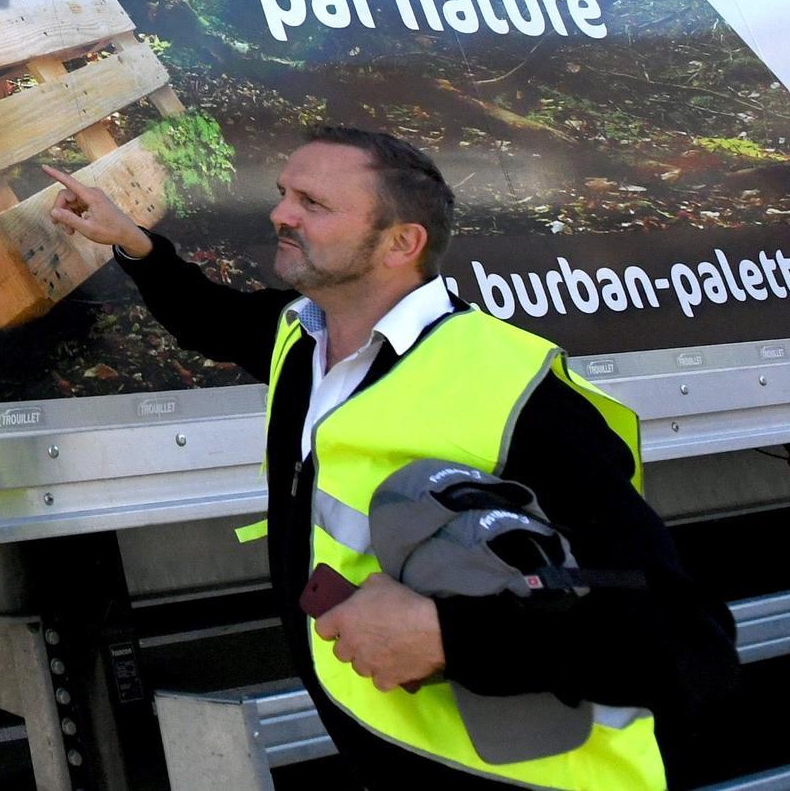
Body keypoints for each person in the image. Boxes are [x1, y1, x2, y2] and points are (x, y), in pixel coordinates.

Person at [46, 125, 735, 791]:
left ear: (403, 241)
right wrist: (134, 244)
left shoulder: (517, 393)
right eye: (285, 191)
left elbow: (687, 642)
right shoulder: (301, 335)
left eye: (312, 203)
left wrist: (449, 637)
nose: (280, 212)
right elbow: (215, 319)